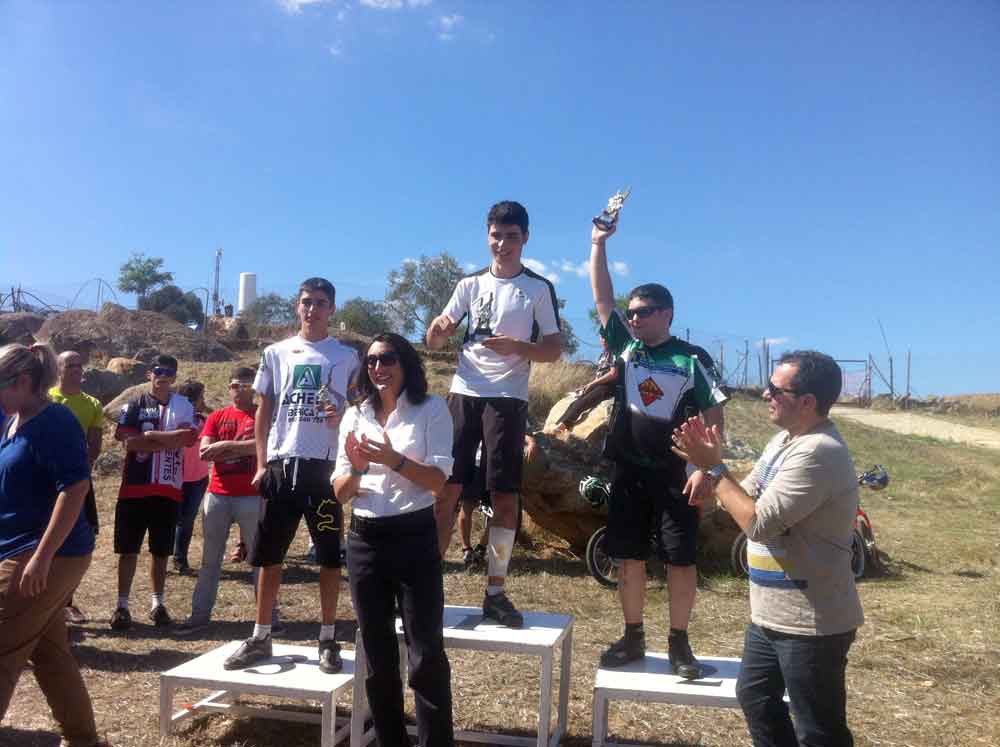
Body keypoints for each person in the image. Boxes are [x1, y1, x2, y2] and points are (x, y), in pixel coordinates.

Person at [672, 351, 863, 747]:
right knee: (756, 697)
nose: (764, 393)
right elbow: (751, 492)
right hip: (771, 617)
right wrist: (711, 478)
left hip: (811, 623)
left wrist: (716, 469)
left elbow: (759, 524)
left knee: (818, 730)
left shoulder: (818, 452)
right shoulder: (784, 441)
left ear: (807, 401)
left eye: (776, 389)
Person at [589, 218, 727, 677]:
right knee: (627, 555)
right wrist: (598, 245)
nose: (634, 317)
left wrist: (705, 470)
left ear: (668, 313)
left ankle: (679, 645)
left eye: (644, 310)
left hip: (677, 475)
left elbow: (714, 416)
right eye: (632, 312)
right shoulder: (627, 350)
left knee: (680, 559)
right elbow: (602, 300)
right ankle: (632, 638)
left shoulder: (691, 358)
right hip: (629, 469)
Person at [427, 200, 562, 628]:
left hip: (508, 399)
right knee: (445, 491)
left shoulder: (538, 288)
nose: (502, 244)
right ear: (487, 235)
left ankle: (496, 591)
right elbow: (434, 340)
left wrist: (519, 348)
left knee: (504, 497)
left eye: (511, 236)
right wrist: (438, 329)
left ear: (525, 238)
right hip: (464, 393)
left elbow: (555, 350)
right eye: (496, 235)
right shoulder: (468, 285)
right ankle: (425, 584)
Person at [224, 277, 360, 674]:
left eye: (320, 303)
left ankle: (328, 637)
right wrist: (263, 463)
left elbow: (359, 409)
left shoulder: (346, 356)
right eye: (306, 302)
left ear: (332, 309)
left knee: (329, 558)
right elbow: (264, 410)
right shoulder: (276, 353)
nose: (312, 309)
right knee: (268, 555)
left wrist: (343, 415)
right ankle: (261, 635)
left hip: (325, 471)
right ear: (296, 307)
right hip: (284, 467)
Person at [333, 333, 455, 747]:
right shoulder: (355, 416)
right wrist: (361, 468)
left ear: (406, 363)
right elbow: (339, 491)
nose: (378, 368)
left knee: (425, 654)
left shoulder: (432, 409)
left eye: (387, 359)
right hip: (365, 539)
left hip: (414, 535)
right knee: (378, 658)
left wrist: (394, 461)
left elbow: (439, 483)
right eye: (371, 361)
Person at [0, 343, 106, 747]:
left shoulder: (54, 421)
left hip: (47, 555)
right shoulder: (13, 419)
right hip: (19, 547)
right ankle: (83, 739)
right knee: (49, 654)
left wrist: (42, 558)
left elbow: (76, 487)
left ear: (23, 382)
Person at [175, 366, 280, 636]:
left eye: (245, 385)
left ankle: (269, 618)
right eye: (235, 385)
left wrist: (225, 447)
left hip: (252, 495)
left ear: (254, 387)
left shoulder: (263, 414)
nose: (239, 389)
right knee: (210, 559)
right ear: (228, 388)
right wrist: (241, 447)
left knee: (260, 559)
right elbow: (204, 452)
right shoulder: (217, 417)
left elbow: (266, 446)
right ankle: (199, 615)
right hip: (218, 495)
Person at [110, 354, 197, 631]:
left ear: (175, 377)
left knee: (160, 552)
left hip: (168, 489)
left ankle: (157, 604)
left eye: (169, 372)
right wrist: (162, 441)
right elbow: (129, 442)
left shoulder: (183, 404)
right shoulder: (135, 402)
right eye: (158, 371)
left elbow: (186, 438)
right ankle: (122, 606)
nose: (163, 376)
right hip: (134, 488)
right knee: (128, 550)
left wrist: (150, 438)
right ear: (149, 373)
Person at [49, 350, 104, 624]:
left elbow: (95, 444)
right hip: (45, 482)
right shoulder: (48, 399)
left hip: (78, 480)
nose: (76, 370)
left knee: (79, 537)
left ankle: (66, 601)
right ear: (58, 369)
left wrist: (81, 470)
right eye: (70, 365)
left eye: (79, 365)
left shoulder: (92, 403)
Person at [173, 380, 210, 575]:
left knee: (187, 520)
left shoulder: (204, 421)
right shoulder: (175, 421)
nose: (203, 401)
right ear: (192, 401)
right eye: (201, 397)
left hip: (198, 479)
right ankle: (163, 555)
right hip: (175, 478)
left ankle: (180, 560)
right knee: (171, 519)